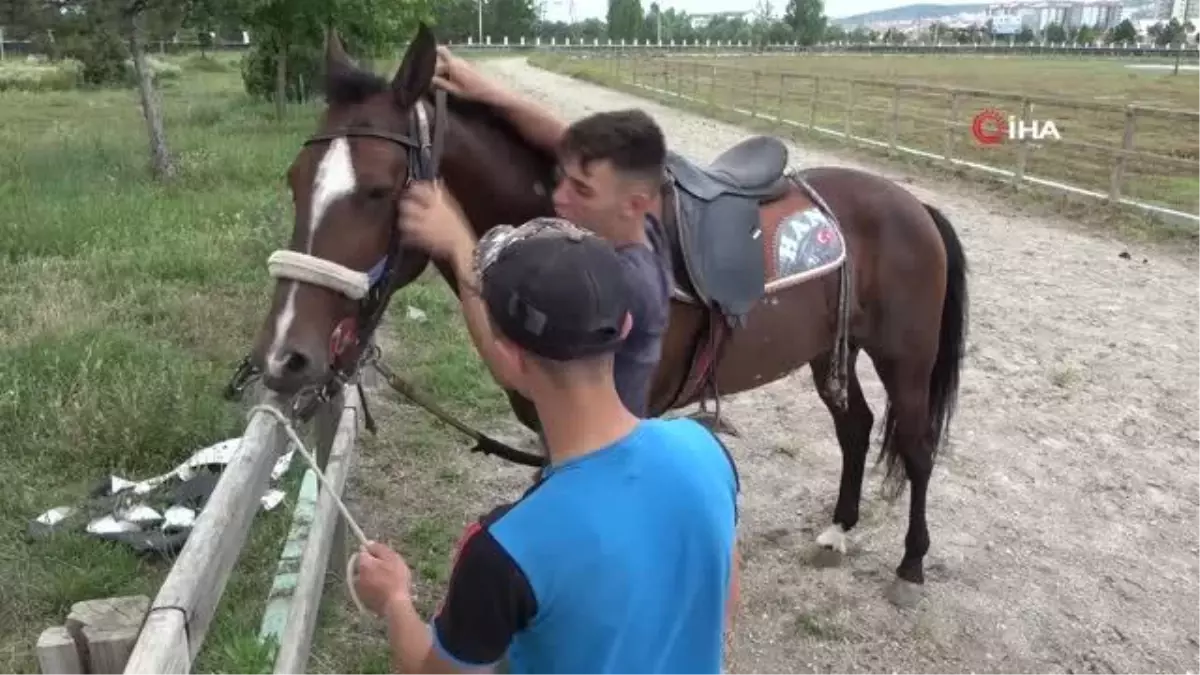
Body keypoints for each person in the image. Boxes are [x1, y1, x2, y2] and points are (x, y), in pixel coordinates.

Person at [353, 206, 742, 675]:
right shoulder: (706, 451)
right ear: (623, 326)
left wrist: (394, 599)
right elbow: (721, 599)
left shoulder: (504, 550)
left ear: (507, 357)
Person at [433, 46, 673, 418]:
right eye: (562, 180)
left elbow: (511, 370)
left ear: (634, 204)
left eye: (581, 190)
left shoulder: (614, 285)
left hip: (593, 466)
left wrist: (457, 242)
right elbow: (566, 142)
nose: (558, 198)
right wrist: (492, 94)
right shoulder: (641, 224)